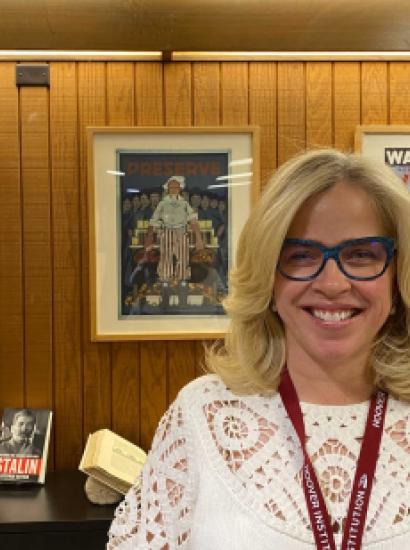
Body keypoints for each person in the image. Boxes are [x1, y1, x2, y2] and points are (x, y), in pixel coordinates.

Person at [108, 149, 410, 549]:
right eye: (301, 255)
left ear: (398, 276)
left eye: (361, 255)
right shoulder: (203, 415)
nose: (334, 284)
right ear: (267, 279)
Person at [145, 176, 204, 282]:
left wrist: (199, 239)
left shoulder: (184, 204)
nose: (173, 190)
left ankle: (182, 283)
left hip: (181, 232)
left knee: (183, 259)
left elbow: (193, 221)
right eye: (171, 188)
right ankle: (165, 283)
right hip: (166, 232)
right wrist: (149, 239)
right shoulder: (162, 204)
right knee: (166, 259)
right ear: (167, 189)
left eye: (176, 187)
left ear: (180, 189)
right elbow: (153, 221)